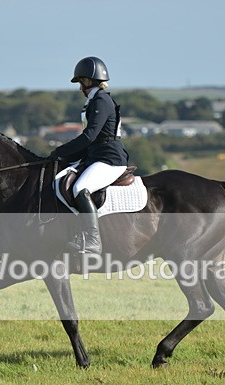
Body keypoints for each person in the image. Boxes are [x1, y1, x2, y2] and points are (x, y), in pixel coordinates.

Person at [49, 56, 129, 255]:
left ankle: (93, 241)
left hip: (109, 159)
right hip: (96, 156)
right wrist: (64, 158)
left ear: (86, 81)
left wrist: (61, 151)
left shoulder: (101, 100)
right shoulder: (95, 101)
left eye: (79, 83)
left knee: (80, 188)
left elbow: (89, 136)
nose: (79, 89)